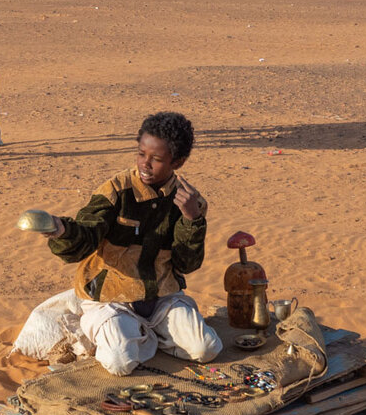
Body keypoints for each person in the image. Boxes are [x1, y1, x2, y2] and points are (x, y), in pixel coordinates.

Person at [31, 111, 223, 376]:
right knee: (120, 363)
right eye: (141, 154)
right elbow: (86, 235)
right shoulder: (115, 191)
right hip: (111, 297)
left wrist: (192, 220)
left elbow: (187, 264)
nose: (145, 164)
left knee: (206, 349)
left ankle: (139, 335)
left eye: (156, 159)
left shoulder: (190, 202)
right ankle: (103, 329)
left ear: (177, 162)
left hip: (161, 297)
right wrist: (62, 230)